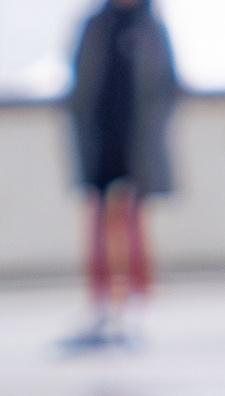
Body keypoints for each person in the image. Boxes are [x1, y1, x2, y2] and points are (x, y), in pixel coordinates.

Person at [66, 0, 181, 351]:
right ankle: (101, 303)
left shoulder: (150, 27)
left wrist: (153, 132)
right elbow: (80, 85)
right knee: (99, 222)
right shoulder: (95, 27)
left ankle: (137, 301)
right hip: (100, 139)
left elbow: (167, 86)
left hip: (137, 141)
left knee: (133, 223)